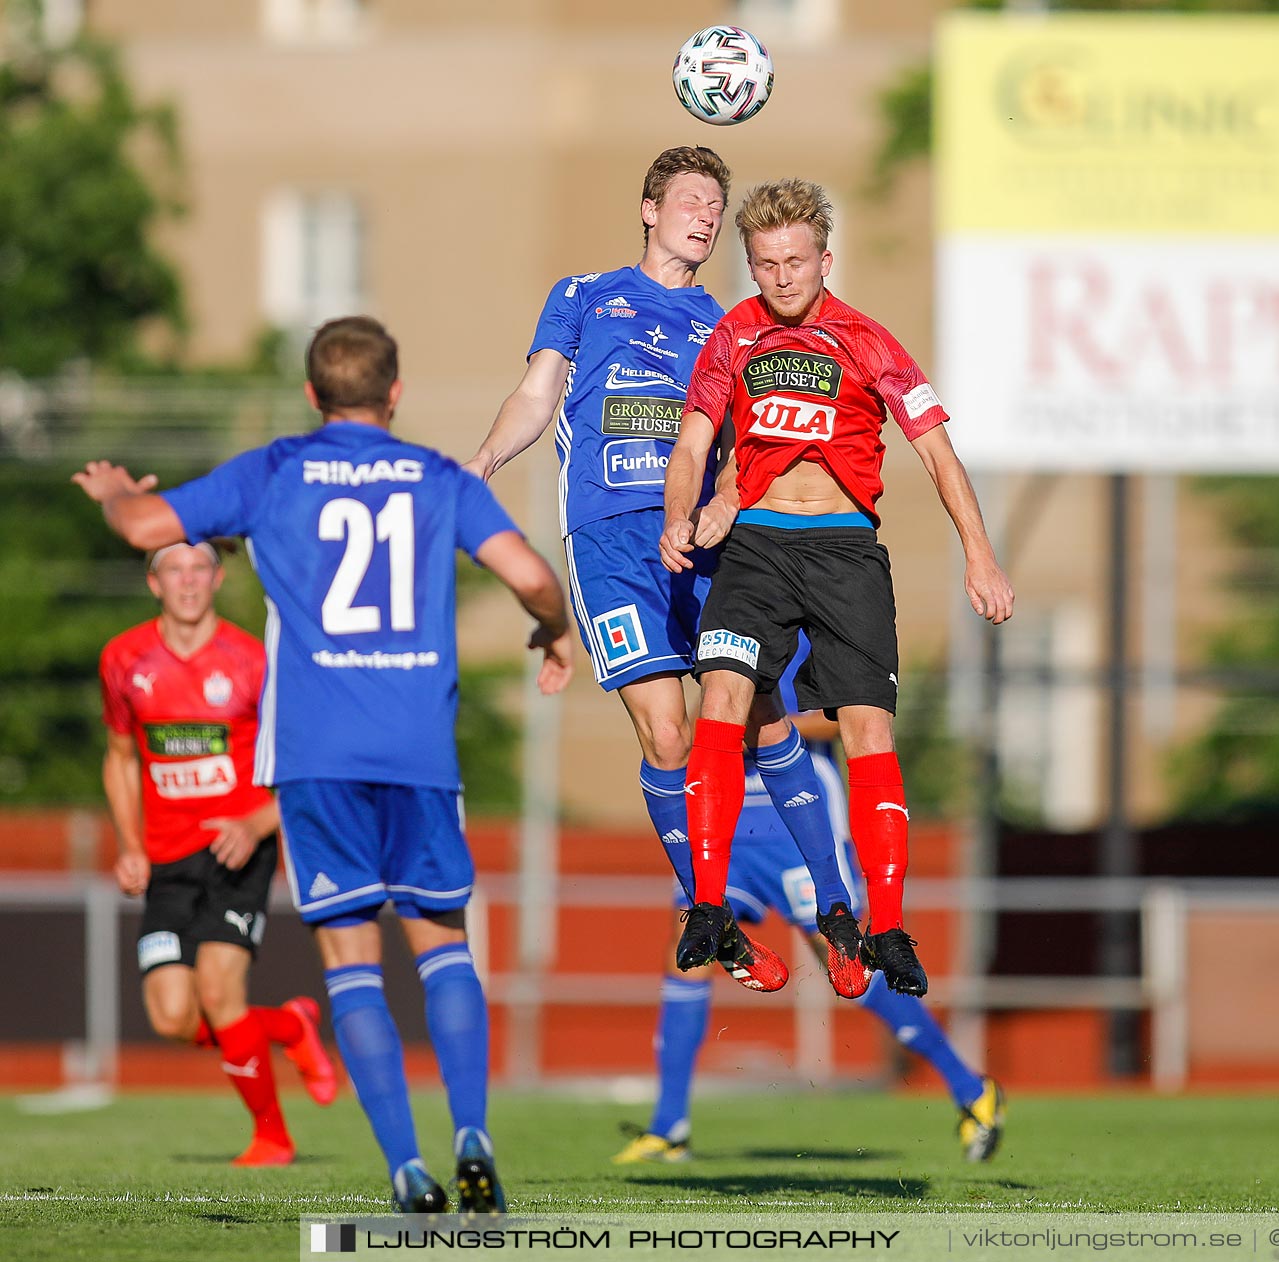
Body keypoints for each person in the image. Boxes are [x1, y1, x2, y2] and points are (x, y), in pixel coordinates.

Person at [74, 316, 575, 1214]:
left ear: (312, 396)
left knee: (351, 962)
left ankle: (404, 1169)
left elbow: (146, 522)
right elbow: (533, 575)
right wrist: (551, 628)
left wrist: (114, 492)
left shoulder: (275, 470)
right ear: (396, 395)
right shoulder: (435, 478)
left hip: (317, 760)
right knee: (443, 949)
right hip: (420, 751)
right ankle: (472, 1135)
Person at [463, 146, 846, 995]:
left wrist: (723, 504)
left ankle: (837, 904)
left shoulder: (731, 320)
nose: (707, 216)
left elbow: (756, 446)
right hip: (608, 541)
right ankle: (711, 915)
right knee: (667, 736)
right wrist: (485, 458)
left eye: (717, 205)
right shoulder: (584, 295)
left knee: (765, 721)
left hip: (705, 545)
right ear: (648, 209)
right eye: (692, 201)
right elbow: (537, 393)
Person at [663, 178, 1013, 998]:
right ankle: (708, 910)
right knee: (720, 700)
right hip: (754, 549)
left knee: (866, 730)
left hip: (847, 552)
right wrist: (683, 512)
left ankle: (884, 926)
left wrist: (980, 556)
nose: (781, 277)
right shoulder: (732, 336)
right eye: (764, 263)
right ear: (750, 264)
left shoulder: (870, 341)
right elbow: (693, 442)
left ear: (826, 257)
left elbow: (936, 454)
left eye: (795, 260)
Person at [614, 640, 1005, 1165]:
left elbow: (849, 714)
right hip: (723, 812)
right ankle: (669, 1126)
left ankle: (969, 1087)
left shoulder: (796, 610)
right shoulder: (718, 606)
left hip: (795, 815)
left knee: (849, 965)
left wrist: (761, 719)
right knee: (688, 955)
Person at [99, 541, 338, 1167]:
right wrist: (129, 846)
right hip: (166, 859)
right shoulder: (124, 660)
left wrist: (259, 821)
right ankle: (289, 1027)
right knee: (174, 1017)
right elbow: (121, 758)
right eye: (173, 569)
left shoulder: (254, 661)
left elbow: (307, 760)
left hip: (239, 851)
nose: (187, 580)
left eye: (199, 567)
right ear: (154, 583)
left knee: (219, 989)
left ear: (217, 577)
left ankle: (272, 1138)